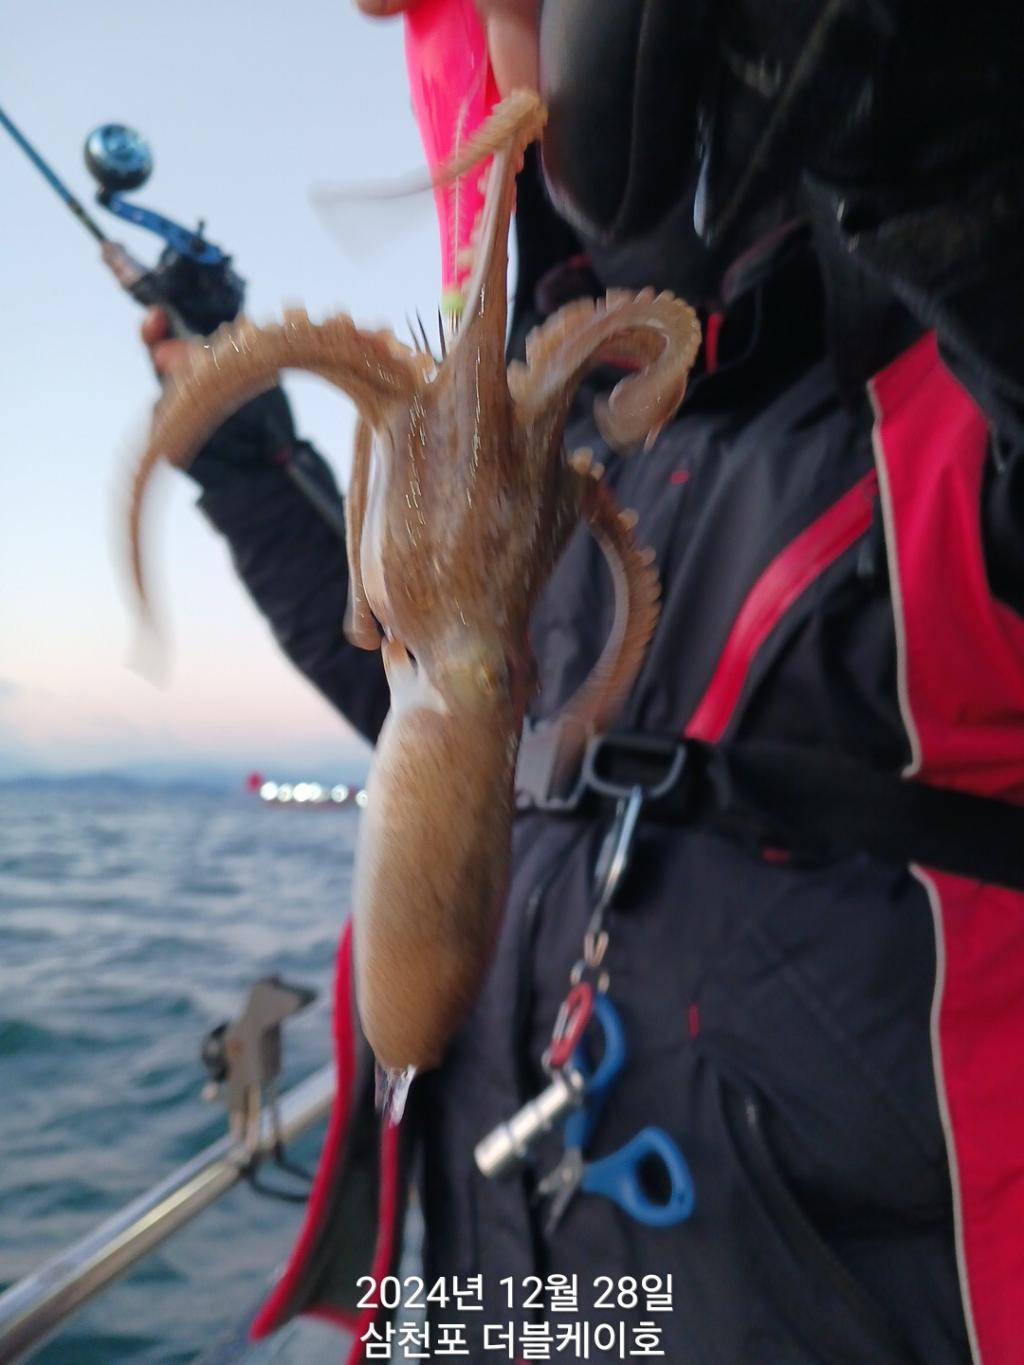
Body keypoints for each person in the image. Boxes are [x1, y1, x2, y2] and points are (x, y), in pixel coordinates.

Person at [140, 3, 1024, 1361]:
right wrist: (250, 457)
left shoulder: (951, 415)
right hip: (519, 1288)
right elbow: (421, 695)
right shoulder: (572, 465)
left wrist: (959, 189)